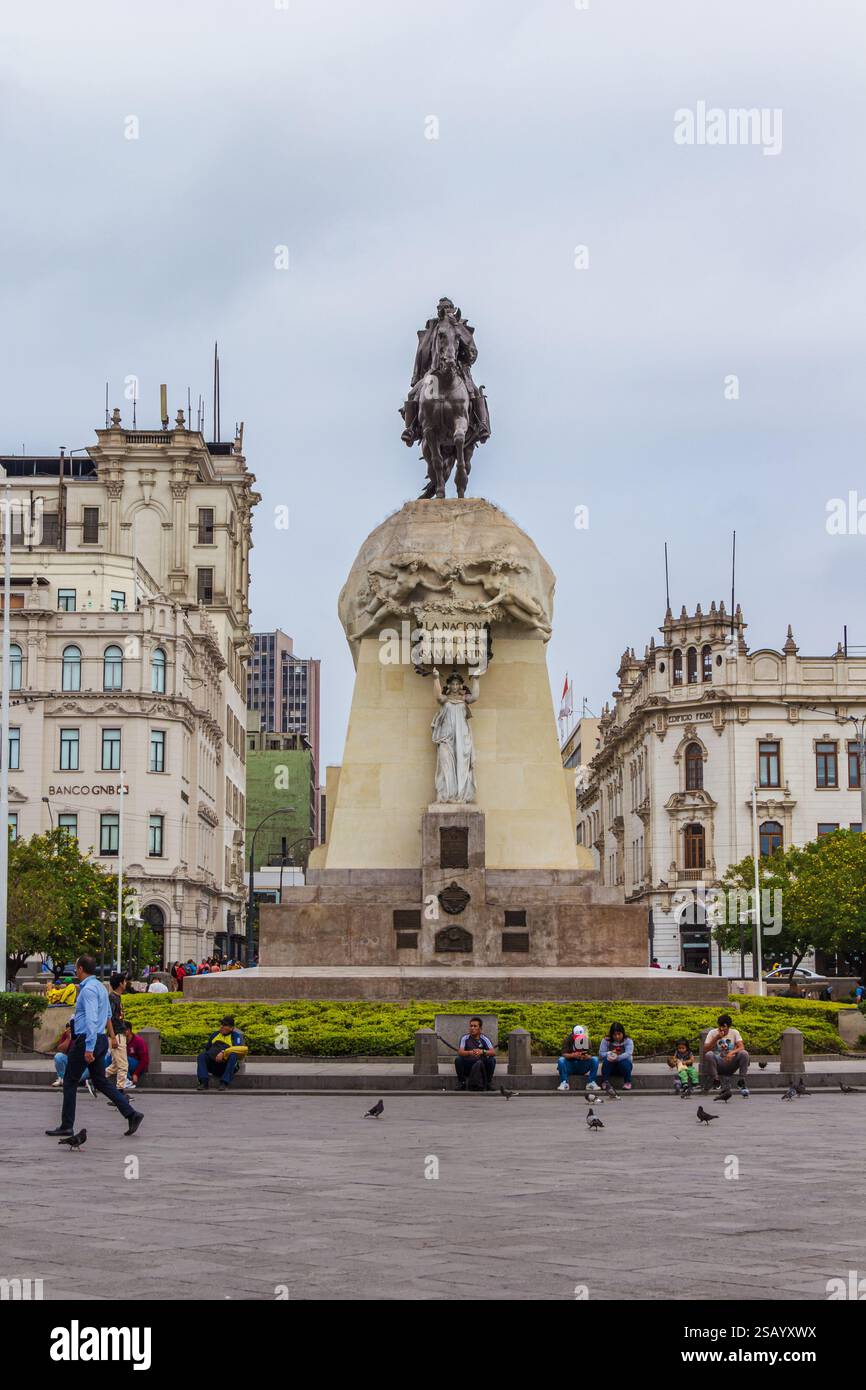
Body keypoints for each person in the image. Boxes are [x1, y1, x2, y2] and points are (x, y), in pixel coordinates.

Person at [44, 955, 143, 1138]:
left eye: (76, 967)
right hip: (99, 1038)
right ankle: (131, 1113)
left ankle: (67, 1125)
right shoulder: (100, 986)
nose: (75, 970)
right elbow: (106, 1015)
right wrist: (105, 1039)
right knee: (100, 1081)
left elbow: (90, 1019)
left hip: (86, 1040)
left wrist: (88, 1048)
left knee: (70, 1080)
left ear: (81, 968)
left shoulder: (88, 990)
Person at [702, 1013, 750, 1097]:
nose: (722, 1029)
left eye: (725, 1027)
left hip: (731, 1063)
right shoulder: (712, 1033)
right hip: (718, 1064)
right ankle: (716, 1080)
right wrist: (716, 1038)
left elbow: (741, 1046)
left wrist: (732, 1052)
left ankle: (742, 1080)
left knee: (744, 1053)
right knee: (709, 1054)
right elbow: (705, 1049)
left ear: (729, 1026)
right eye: (720, 1026)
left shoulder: (735, 1032)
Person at [196, 1016, 246, 1091]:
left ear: (231, 1028)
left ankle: (224, 1083)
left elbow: (239, 1049)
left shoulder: (236, 1036)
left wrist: (223, 1052)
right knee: (201, 1056)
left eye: (225, 1025)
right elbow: (207, 1049)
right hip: (214, 1065)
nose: (222, 1027)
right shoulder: (215, 1035)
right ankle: (204, 1082)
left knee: (233, 1055)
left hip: (227, 1065)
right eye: (221, 1024)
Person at [50, 1022, 96, 1098]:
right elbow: (61, 1049)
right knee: (58, 1056)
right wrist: (68, 1038)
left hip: (85, 1063)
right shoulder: (67, 1034)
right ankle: (62, 1078)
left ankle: (68, 1080)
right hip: (71, 1060)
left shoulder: (86, 1034)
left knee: (80, 1074)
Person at [454, 1017, 496, 1091]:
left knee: (492, 1060)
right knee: (458, 1059)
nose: (472, 1028)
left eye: (475, 1026)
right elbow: (460, 1052)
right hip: (469, 1065)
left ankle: (488, 1083)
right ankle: (462, 1083)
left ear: (480, 1028)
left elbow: (493, 1052)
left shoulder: (485, 1039)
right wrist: (470, 1052)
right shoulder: (465, 1038)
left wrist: (482, 1052)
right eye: (471, 1026)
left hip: (481, 1066)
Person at [105, 972, 130, 1090]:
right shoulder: (112, 998)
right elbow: (108, 1017)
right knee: (123, 1066)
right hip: (117, 1035)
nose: (126, 983)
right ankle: (120, 1092)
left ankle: (94, 1080)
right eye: (124, 981)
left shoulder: (116, 997)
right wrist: (113, 1037)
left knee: (115, 1065)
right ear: (120, 983)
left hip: (119, 1034)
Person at [557, 1024, 599, 1092]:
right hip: (570, 1065)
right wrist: (573, 1055)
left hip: (582, 1065)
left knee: (595, 1059)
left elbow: (591, 1055)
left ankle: (591, 1082)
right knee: (561, 1060)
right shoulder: (567, 1040)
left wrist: (586, 1057)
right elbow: (563, 1054)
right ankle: (564, 1083)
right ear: (573, 1035)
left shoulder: (587, 1040)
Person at [599, 1022, 634, 1089]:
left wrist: (617, 1058)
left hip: (624, 1067)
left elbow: (628, 1053)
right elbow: (601, 1054)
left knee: (624, 1062)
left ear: (623, 1033)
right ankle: (605, 1082)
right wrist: (611, 1053)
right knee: (607, 1061)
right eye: (614, 1034)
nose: (617, 1036)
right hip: (610, 1067)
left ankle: (627, 1082)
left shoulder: (628, 1041)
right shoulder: (606, 1040)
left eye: (619, 1034)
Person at [125, 1023, 150, 1088]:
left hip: (136, 1065)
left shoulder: (138, 1041)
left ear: (128, 1030)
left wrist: (136, 1073)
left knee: (123, 1058)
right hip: (125, 1065)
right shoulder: (121, 1040)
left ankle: (128, 1080)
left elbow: (145, 1060)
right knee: (112, 1057)